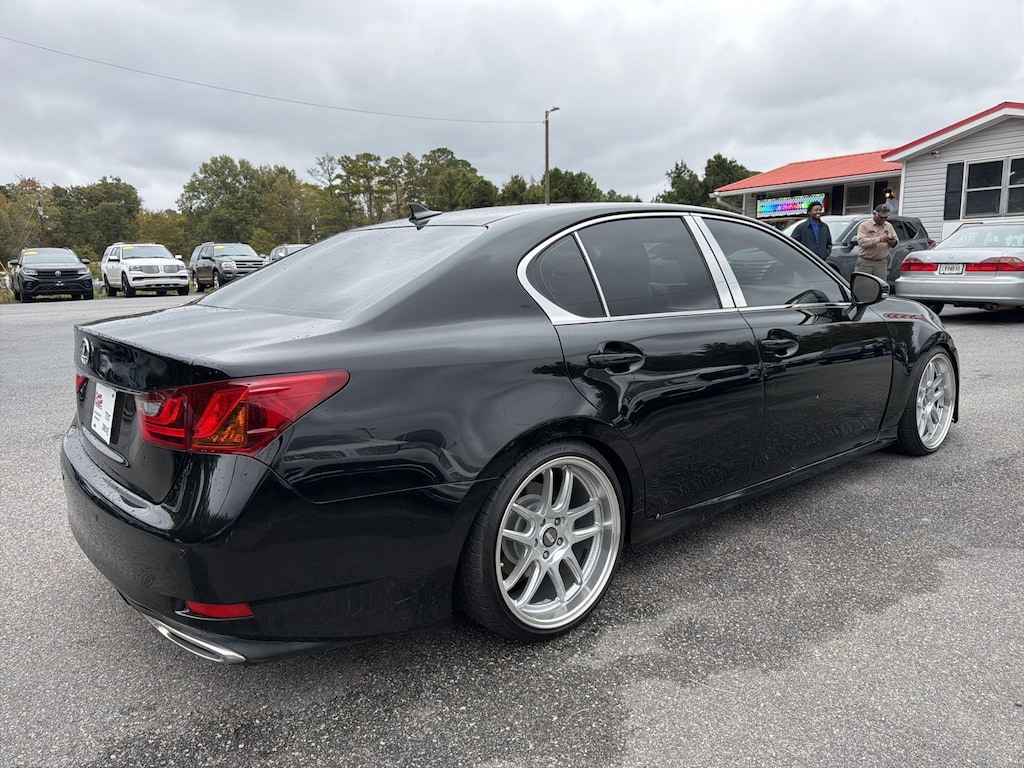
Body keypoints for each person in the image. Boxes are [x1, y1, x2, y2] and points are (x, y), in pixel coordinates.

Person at [854, 205, 899, 280]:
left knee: (880, 286)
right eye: (881, 217)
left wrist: (893, 242)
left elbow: (896, 240)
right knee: (862, 285)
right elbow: (861, 242)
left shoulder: (889, 226)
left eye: (886, 217)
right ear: (875, 213)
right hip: (865, 262)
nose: (883, 219)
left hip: (881, 262)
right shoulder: (864, 225)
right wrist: (879, 239)